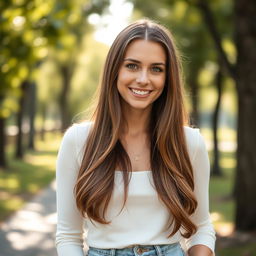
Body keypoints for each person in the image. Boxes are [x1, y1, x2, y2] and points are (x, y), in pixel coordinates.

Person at [55, 19, 216, 256]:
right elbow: (68, 235)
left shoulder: (189, 143)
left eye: (156, 69)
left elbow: (201, 228)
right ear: (114, 70)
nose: (143, 79)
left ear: (167, 77)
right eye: (132, 66)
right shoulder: (78, 141)